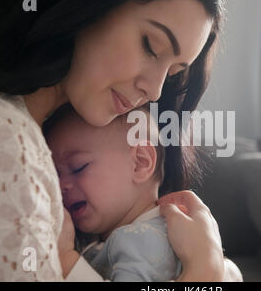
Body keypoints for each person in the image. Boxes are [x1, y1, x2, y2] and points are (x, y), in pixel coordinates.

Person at [0, 0, 242, 281]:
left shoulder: (39, 137)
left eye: (174, 73)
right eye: (150, 46)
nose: (155, 91)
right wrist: (205, 273)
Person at [45, 103, 183, 281]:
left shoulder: (144, 239)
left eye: (78, 167)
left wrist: (67, 261)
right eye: (55, 175)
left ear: (140, 163)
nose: (61, 185)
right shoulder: (134, 235)